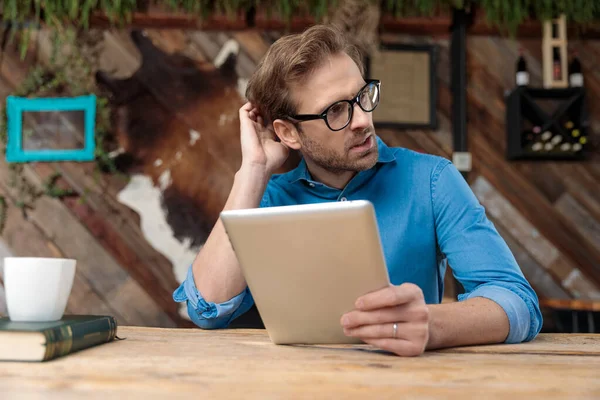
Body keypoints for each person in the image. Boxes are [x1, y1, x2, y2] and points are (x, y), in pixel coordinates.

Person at [173, 24, 542, 357]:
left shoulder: (433, 180)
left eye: (363, 96)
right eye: (336, 111)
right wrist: (252, 171)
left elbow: (518, 301)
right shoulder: (266, 199)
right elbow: (207, 309)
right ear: (288, 133)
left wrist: (432, 324)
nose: (364, 120)